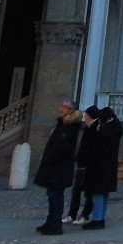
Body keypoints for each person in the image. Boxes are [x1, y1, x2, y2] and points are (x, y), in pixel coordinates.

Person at [34, 98, 83, 235]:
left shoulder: (67, 127)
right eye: (61, 106)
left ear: (70, 110)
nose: (61, 108)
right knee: (53, 195)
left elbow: (59, 148)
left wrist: (48, 159)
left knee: (55, 196)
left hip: (58, 168)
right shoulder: (65, 125)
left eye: (65, 107)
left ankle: (55, 224)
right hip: (59, 167)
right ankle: (50, 222)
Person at [77, 106, 123, 230]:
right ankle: (100, 218)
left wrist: (89, 160)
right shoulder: (115, 128)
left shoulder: (106, 131)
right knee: (103, 193)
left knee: (97, 192)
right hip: (108, 166)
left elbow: (97, 149)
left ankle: (98, 219)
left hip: (99, 166)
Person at [64, 108, 98, 225]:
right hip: (81, 165)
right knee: (76, 191)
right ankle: (72, 214)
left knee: (88, 193)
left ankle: (85, 215)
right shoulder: (87, 128)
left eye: (87, 115)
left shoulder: (94, 129)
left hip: (88, 166)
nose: (85, 117)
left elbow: (91, 149)